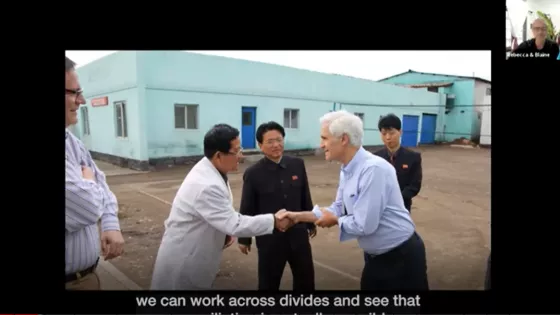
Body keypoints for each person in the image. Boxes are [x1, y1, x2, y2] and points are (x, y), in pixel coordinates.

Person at [282, 110, 429, 295]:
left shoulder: (373, 169)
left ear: (343, 139)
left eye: (325, 138)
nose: (321, 144)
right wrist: (298, 217)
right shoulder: (348, 168)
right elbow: (338, 208)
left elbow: (364, 224)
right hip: (376, 257)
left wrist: (336, 220)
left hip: (401, 257)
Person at [150, 124, 294, 290]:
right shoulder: (206, 185)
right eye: (237, 151)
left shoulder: (213, 170)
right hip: (185, 261)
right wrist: (273, 221)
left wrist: (222, 231)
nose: (241, 156)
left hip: (198, 253)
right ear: (219, 155)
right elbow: (234, 223)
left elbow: (220, 215)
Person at [65, 56, 125, 290]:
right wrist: (89, 183)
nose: (82, 100)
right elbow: (87, 206)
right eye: (74, 92)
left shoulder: (71, 141)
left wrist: (110, 221)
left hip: (87, 277)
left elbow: (102, 181)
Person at [238, 121, 316, 291]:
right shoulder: (253, 173)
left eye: (279, 140)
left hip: (298, 236)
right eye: (270, 142)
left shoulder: (297, 164)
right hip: (270, 240)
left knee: (306, 281)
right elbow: (247, 206)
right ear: (260, 145)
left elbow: (305, 195)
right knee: (268, 283)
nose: (276, 145)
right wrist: (244, 238)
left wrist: (310, 222)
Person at [374, 114, 422, 212]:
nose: (387, 137)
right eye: (384, 134)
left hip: (402, 207)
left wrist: (396, 199)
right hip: (379, 207)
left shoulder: (413, 157)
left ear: (400, 132)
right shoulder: (375, 158)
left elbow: (414, 185)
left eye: (391, 133)